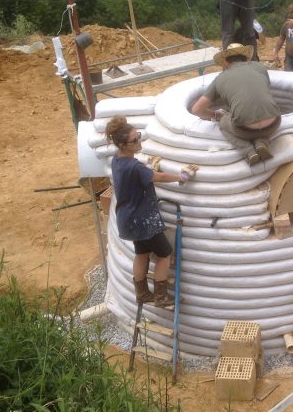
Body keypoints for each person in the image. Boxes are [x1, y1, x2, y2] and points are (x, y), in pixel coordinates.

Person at [105, 117, 190, 306]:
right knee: (165, 254)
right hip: (142, 221)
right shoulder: (135, 167)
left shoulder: (117, 160)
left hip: (128, 219)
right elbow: (158, 177)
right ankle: (160, 297)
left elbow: (141, 175)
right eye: (134, 140)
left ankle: (142, 293)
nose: (139, 142)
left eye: (139, 136)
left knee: (142, 254)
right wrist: (181, 176)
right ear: (122, 144)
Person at [191, 43, 281, 165]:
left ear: (226, 62)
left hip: (244, 130)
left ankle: (248, 151)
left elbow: (196, 109)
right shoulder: (261, 67)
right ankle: (261, 142)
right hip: (273, 124)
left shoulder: (220, 78)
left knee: (224, 122)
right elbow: (263, 93)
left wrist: (216, 115)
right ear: (245, 57)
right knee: (263, 112)